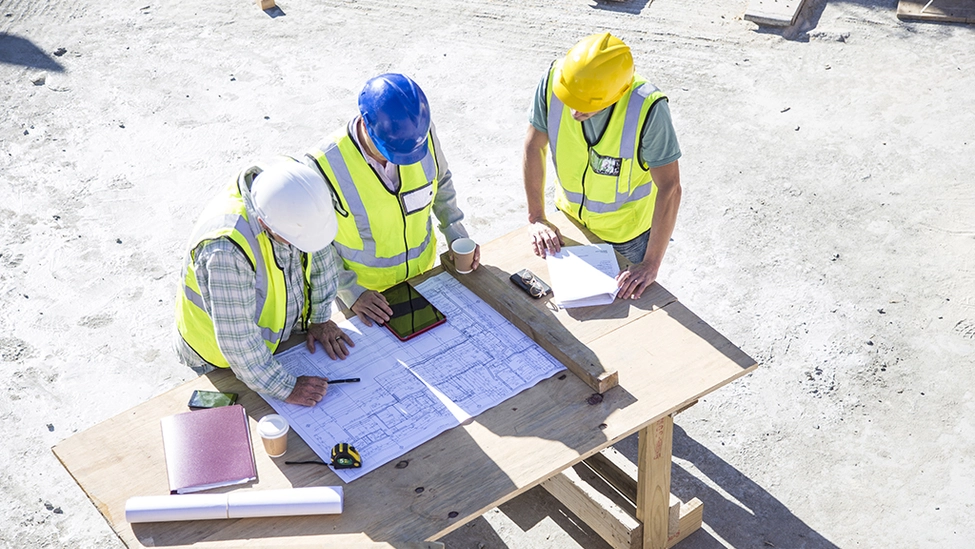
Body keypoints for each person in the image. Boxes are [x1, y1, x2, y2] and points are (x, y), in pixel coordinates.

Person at [173, 159, 355, 407]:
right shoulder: (226, 249)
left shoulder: (300, 193)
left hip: (273, 343)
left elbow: (320, 256)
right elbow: (238, 341)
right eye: (292, 240)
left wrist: (320, 319)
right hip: (219, 359)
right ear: (263, 223)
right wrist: (287, 388)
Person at [304, 73, 479, 326]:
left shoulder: (419, 135)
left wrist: (456, 233)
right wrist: (351, 292)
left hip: (423, 278)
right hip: (366, 298)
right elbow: (315, 245)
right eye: (394, 151)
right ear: (366, 124)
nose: (402, 160)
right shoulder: (322, 165)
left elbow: (440, 182)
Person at [523, 33, 682, 300]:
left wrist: (650, 264)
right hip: (569, 219)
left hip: (627, 238)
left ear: (616, 95)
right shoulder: (554, 80)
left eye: (586, 108)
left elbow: (670, 187)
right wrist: (537, 216)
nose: (574, 113)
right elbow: (533, 145)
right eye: (570, 100)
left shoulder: (648, 110)